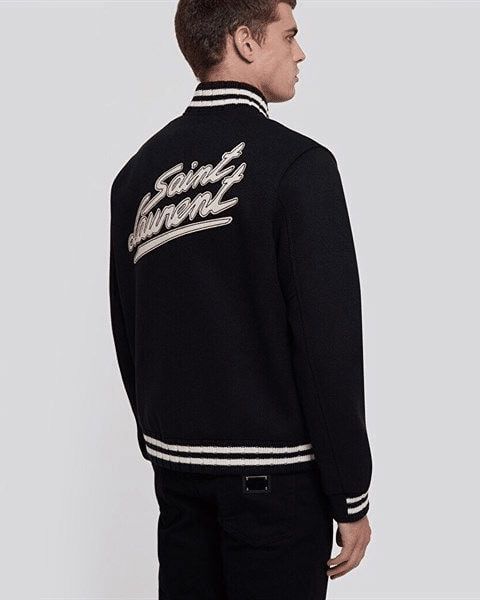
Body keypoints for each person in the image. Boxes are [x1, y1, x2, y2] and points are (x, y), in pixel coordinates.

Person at [109, 0, 373, 598]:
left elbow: (129, 326)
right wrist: (350, 492)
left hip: (179, 475)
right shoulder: (299, 167)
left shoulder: (136, 176)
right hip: (277, 485)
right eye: (290, 35)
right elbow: (327, 344)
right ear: (246, 42)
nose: (300, 53)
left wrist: (163, 445)